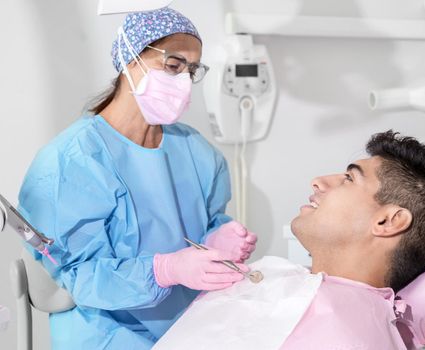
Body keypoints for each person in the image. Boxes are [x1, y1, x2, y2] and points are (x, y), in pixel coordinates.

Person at [17, 7, 257, 349]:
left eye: (192, 70)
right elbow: (78, 276)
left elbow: (205, 221)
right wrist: (164, 270)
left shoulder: (194, 150)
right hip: (105, 332)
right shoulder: (72, 161)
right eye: (173, 66)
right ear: (131, 59)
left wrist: (218, 236)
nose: (185, 81)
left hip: (189, 324)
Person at [153, 130, 425, 350]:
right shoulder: (292, 283)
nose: (319, 181)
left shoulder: (345, 336)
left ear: (388, 221)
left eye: (350, 178)